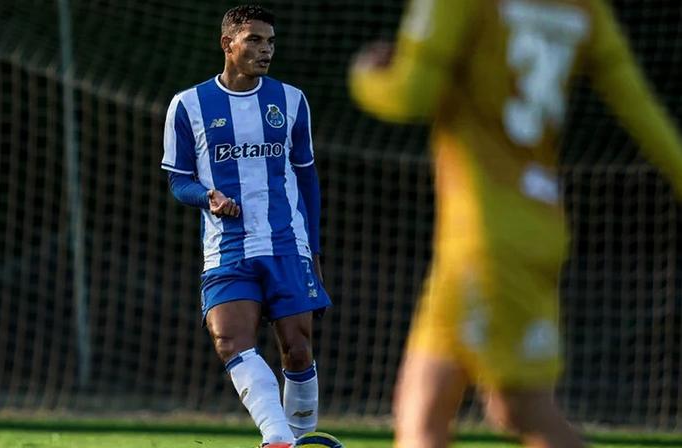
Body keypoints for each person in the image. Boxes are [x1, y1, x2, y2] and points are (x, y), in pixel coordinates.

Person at [349, 1, 682, 447]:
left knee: (520, 409)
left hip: (485, 237)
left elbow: (412, 95)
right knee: (422, 406)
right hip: (531, 225)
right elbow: (644, 113)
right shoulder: (586, 8)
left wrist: (366, 76)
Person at [161, 5, 330, 447]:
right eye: (254, 39)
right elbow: (179, 181)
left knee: (297, 346)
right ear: (227, 44)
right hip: (227, 248)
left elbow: (307, 177)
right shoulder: (188, 105)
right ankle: (279, 440)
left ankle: (298, 437)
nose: (265, 49)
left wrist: (312, 250)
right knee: (229, 340)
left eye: (270, 41)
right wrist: (208, 197)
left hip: (285, 243)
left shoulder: (291, 101)